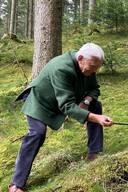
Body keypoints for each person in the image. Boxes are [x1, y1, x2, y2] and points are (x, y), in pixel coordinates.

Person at [8, 43, 113, 192]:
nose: (95, 71)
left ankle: (94, 153)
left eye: (97, 67)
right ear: (80, 58)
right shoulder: (61, 68)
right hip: (41, 103)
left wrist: (86, 102)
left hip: (66, 99)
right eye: (93, 67)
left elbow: (94, 88)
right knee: (37, 134)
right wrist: (96, 118)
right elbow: (67, 106)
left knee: (95, 106)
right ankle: (16, 184)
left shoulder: (89, 64)